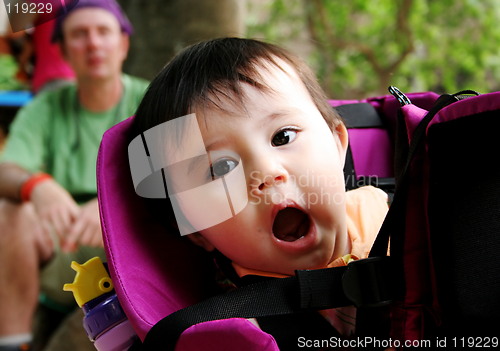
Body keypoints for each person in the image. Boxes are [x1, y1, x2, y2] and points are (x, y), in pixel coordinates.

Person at [130, 37, 388, 338]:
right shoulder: (238, 329)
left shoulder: (404, 213)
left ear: (337, 143)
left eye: (283, 137)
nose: (265, 172)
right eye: (221, 168)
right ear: (195, 229)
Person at [0, 0, 148, 349]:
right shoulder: (45, 109)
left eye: (103, 32)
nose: (93, 44)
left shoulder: (151, 99)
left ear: (123, 44)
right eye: (79, 35)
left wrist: (113, 208)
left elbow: (178, 178)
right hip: (60, 240)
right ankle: (12, 342)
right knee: (8, 212)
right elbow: (6, 168)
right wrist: (36, 185)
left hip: (128, 242)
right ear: (64, 52)